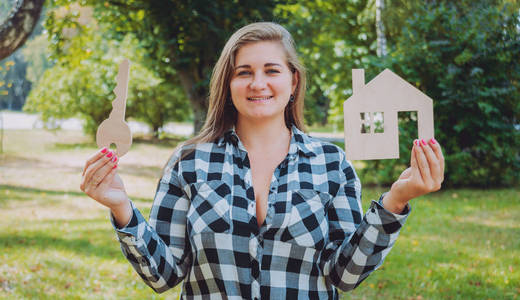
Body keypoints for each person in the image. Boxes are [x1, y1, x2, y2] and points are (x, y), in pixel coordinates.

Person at [80, 22, 444, 299]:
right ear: (229, 83)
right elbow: (164, 274)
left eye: (271, 70)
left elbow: (345, 274)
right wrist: (122, 208)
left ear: (293, 81)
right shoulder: (189, 161)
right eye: (244, 72)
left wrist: (396, 201)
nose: (258, 83)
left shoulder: (331, 164)